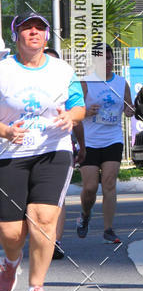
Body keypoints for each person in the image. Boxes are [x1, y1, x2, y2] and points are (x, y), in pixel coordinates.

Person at [0, 12, 85, 291]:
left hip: (53, 149)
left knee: (43, 219)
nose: (34, 32)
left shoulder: (62, 70)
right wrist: (6, 130)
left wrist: (70, 118)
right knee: (11, 231)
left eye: (40, 28)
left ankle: (36, 286)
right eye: (27, 28)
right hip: (11, 153)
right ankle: (11, 262)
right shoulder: (3, 70)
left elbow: (78, 106)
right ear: (16, 35)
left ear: (47, 35)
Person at [77, 44, 134, 244]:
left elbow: (128, 106)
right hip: (90, 140)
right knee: (90, 187)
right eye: (102, 59)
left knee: (109, 184)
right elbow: (74, 112)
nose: (107, 62)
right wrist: (86, 111)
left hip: (113, 139)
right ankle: (85, 214)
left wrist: (130, 110)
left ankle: (108, 229)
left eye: (109, 58)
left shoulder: (121, 82)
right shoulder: (86, 83)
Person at [44, 48, 86, 260]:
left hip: (59, 148)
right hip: (26, 150)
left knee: (57, 199)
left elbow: (77, 115)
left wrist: (83, 145)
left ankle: (55, 242)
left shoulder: (64, 82)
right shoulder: (23, 83)